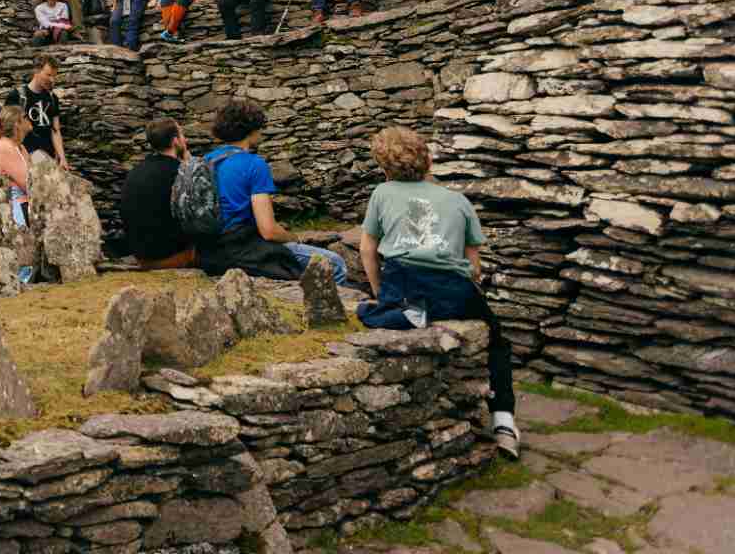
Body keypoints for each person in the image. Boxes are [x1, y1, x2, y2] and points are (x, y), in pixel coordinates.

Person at [356, 125, 518, 460]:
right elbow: (474, 267)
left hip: (403, 280)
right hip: (453, 287)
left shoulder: (382, 194)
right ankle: (504, 421)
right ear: (428, 161)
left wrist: (378, 292)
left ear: (384, 169)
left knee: (378, 310)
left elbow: (367, 250)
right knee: (498, 340)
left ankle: (405, 313)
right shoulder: (458, 200)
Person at [191, 98, 347, 284]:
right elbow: (269, 231)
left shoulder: (205, 161)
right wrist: (294, 238)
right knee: (335, 264)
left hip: (209, 252)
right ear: (253, 129)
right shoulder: (254, 164)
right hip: (243, 252)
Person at [121, 119, 198, 270]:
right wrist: (190, 166)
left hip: (141, 255)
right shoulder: (180, 172)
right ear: (175, 141)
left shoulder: (136, 171)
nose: (185, 139)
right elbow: (199, 219)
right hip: (172, 256)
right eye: (182, 135)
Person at [6, 55, 68, 171]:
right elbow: (7, 130)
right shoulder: (16, 96)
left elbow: (55, 130)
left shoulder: (52, 98)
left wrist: (62, 158)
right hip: (24, 157)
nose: (52, 80)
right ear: (36, 71)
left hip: (48, 157)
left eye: (54, 76)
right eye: (48, 75)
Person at [0, 104, 34, 233]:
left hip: (23, 202)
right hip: (8, 208)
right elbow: (29, 184)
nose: (30, 119)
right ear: (17, 124)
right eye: (26, 117)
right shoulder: (5, 147)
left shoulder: (20, 147)